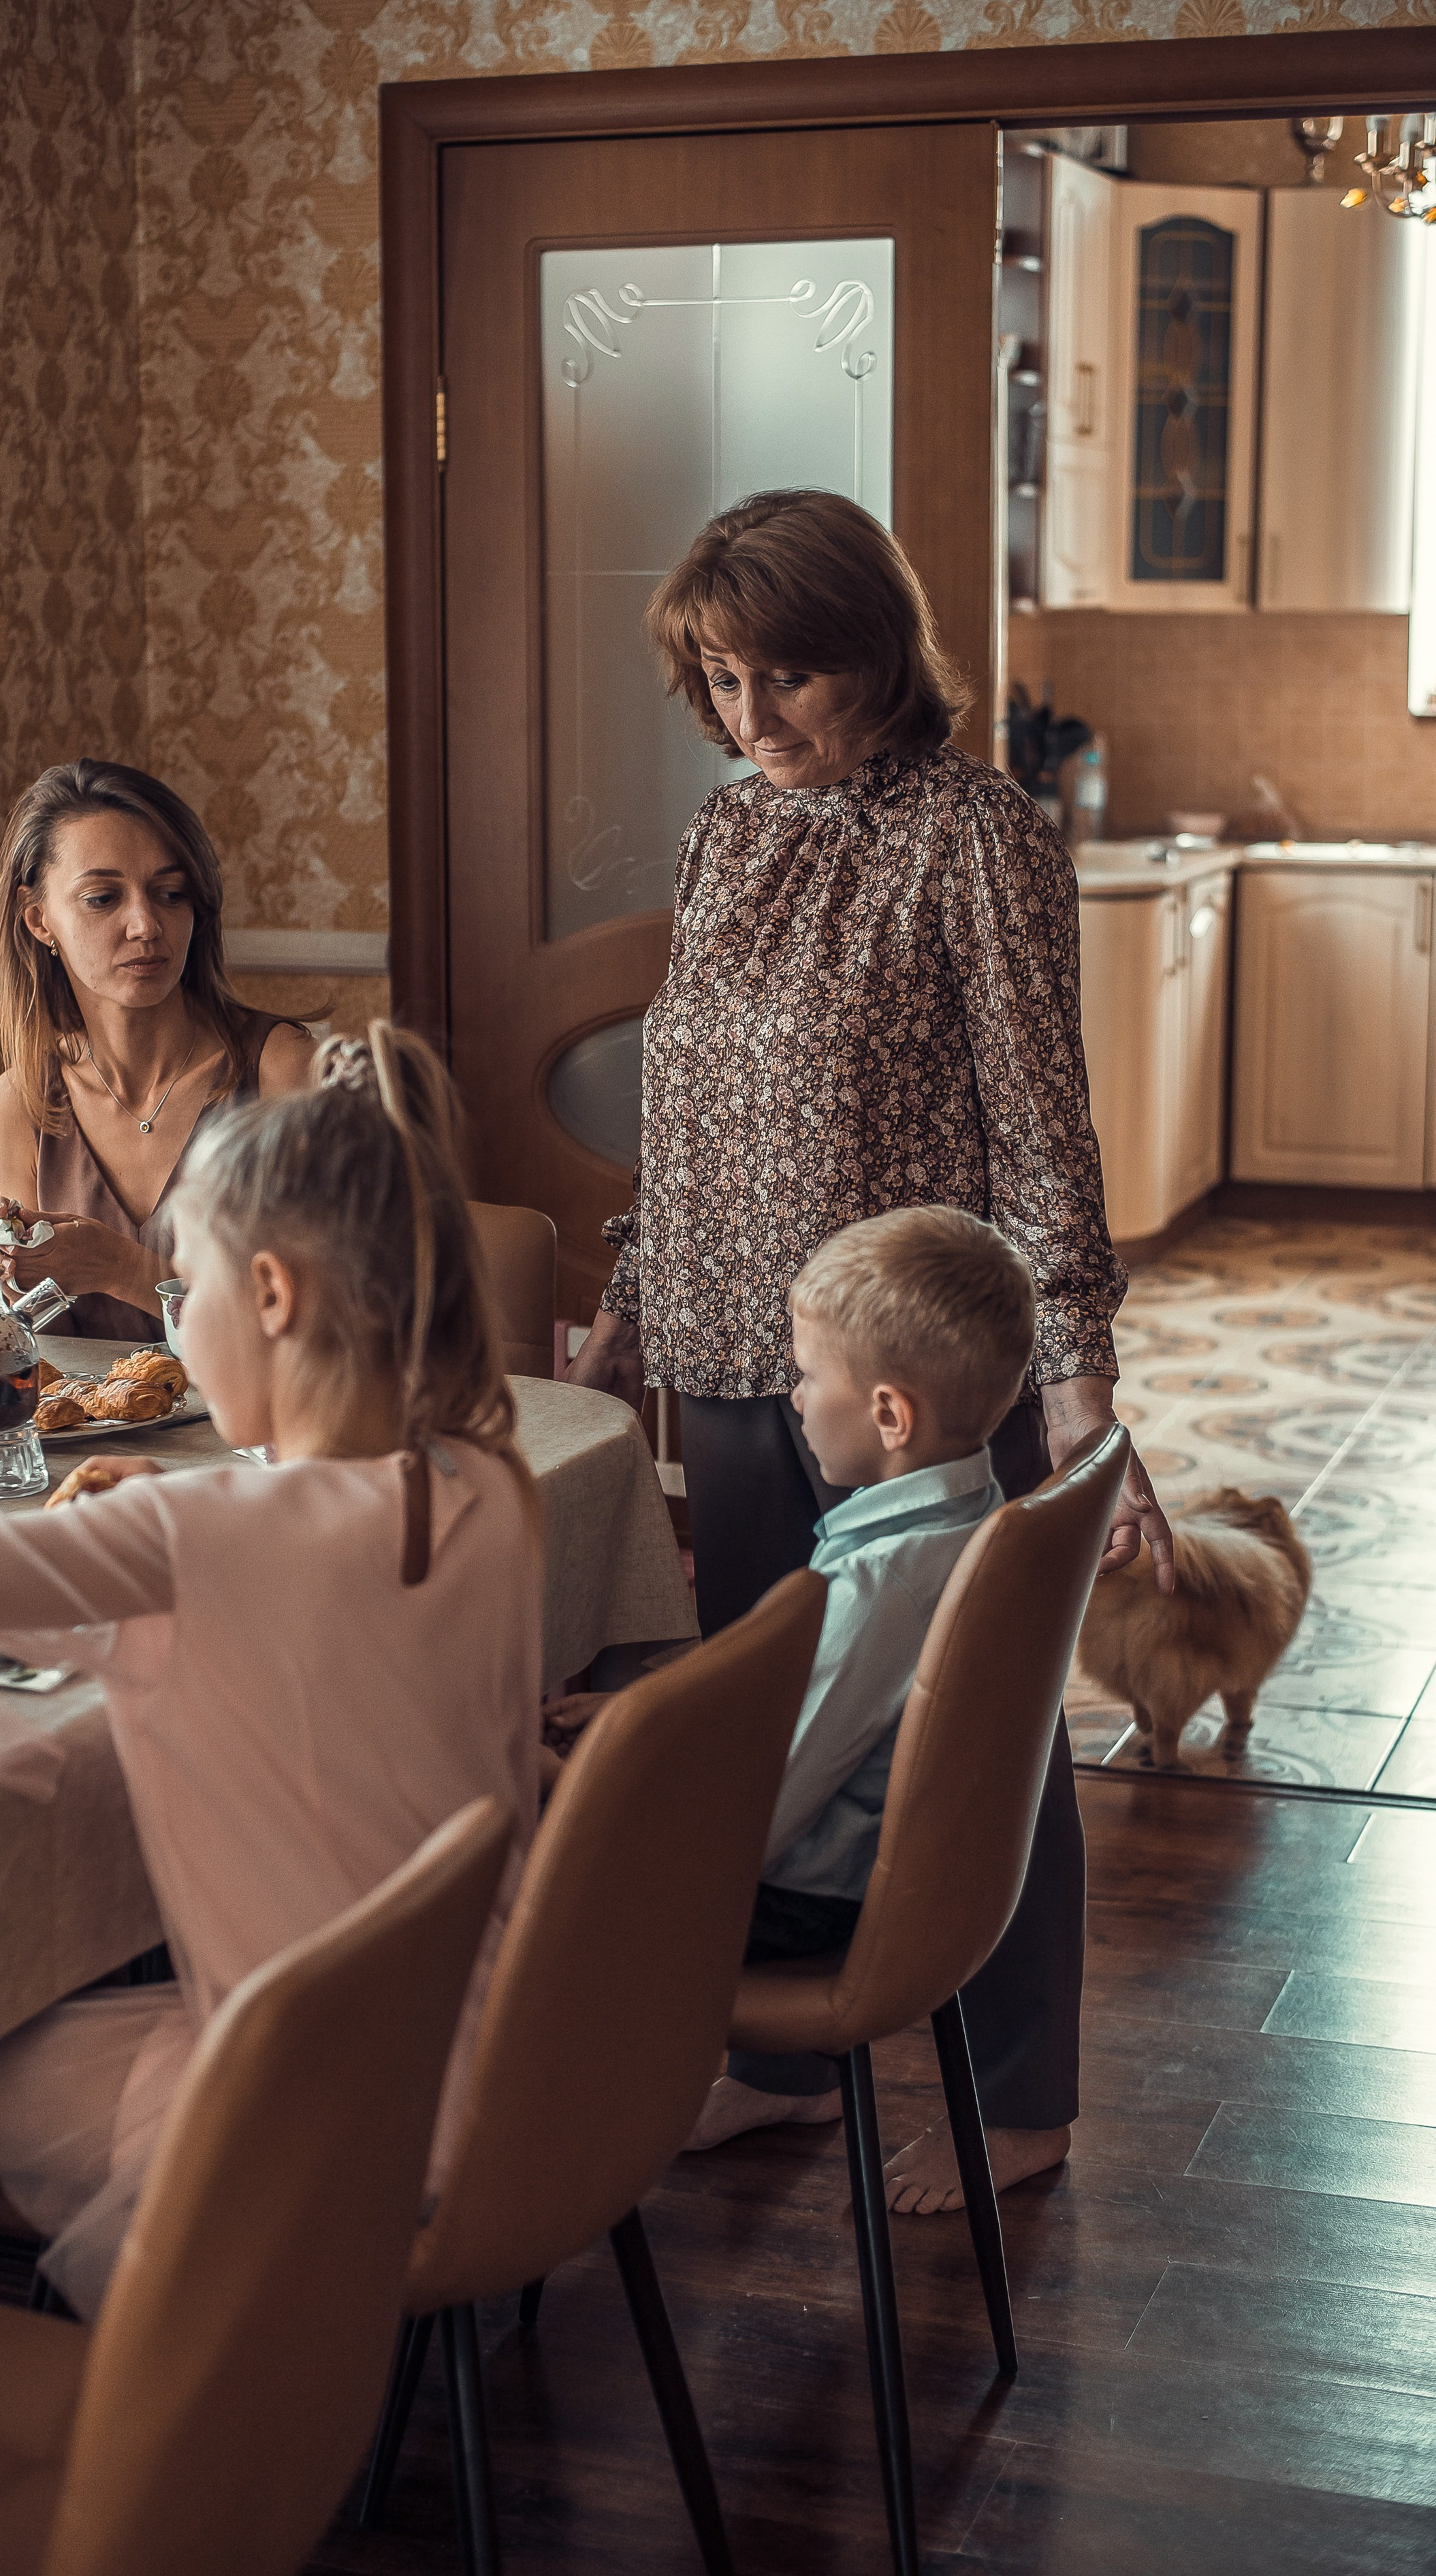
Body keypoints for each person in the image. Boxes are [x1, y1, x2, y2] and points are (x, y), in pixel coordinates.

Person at [0, 1026, 541, 2318]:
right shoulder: (485, 1479)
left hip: (310, 2093)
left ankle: (33, 2484)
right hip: (480, 2045)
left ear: (271, 1296)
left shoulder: (201, 1537)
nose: (176, 1325)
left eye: (182, 1292)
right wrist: (182, 1521)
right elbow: (301, 1554)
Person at [567, 490, 1173, 2215]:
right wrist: (625, 1307)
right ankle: (772, 2063)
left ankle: (1023, 2091)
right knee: (782, 1728)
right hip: (734, 1357)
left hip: (909, 1373)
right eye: (716, 681)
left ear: (877, 656)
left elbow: (1042, 1129)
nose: (749, 722)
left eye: (784, 681)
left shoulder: (974, 834)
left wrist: (1078, 1388)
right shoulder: (725, 832)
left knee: (973, 1732)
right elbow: (685, 1113)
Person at [685, 1207, 1031, 2146]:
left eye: (803, 1376)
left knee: (502, 1889)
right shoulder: (978, 1512)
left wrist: (616, 1823)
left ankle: (528, 2164)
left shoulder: (875, 1582)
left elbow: (767, 1800)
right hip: (890, 1888)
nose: (793, 1400)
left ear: (887, 1411)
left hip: (805, 1904)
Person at [0, 757, 317, 1338]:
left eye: (169, 893)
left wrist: (120, 1268)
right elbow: (35, 1340)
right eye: (103, 898)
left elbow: (317, 1321)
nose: (146, 924)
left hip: (256, 1429)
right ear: (39, 920)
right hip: (91, 1430)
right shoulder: (22, 1101)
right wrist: (10, 1285)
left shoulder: (283, 1071)